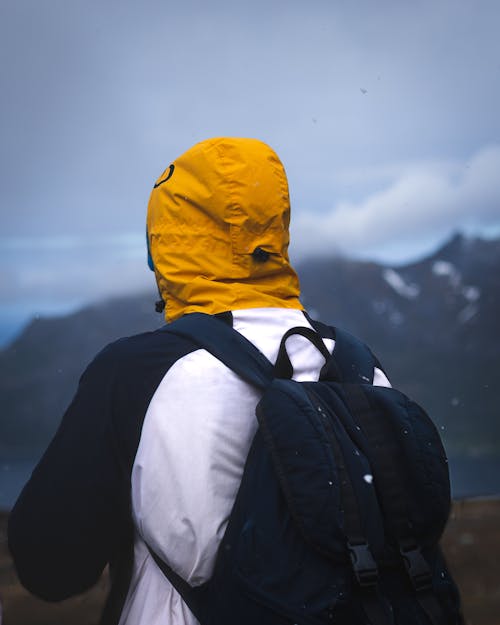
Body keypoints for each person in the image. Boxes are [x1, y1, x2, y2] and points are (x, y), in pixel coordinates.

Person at [8, 137, 390, 625]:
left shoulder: (138, 374)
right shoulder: (363, 367)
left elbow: (51, 569)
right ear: (276, 233)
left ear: (164, 244)